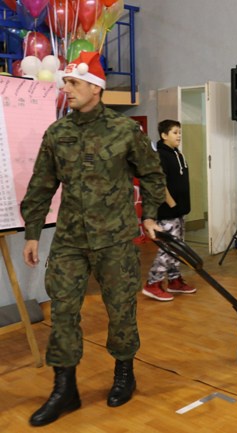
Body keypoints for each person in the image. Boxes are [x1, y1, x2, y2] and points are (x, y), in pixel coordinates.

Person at [20, 51, 166, 426]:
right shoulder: (58, 133)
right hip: (70, 239)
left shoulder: (124, 131)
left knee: (120, 310)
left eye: (74, 83)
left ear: (96, 89)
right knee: (63, 313)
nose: (66, 89)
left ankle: (124, 373)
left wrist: (149, 213)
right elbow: (41, 185)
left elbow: (151, 174)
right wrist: (33, 233)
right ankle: (64, 388)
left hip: (115, 239)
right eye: (66, 82)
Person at [142, 120, 196, 301]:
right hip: (167, 212)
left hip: (179, 211)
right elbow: (160, 185)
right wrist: (173, 205)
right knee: (168, 249)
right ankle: (153, 283)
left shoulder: (177, 154)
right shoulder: (160, 156)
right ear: (164, 135)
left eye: (179, 132)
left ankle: (174, 281)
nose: (178, 135)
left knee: (178, 247)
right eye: (174, 132)